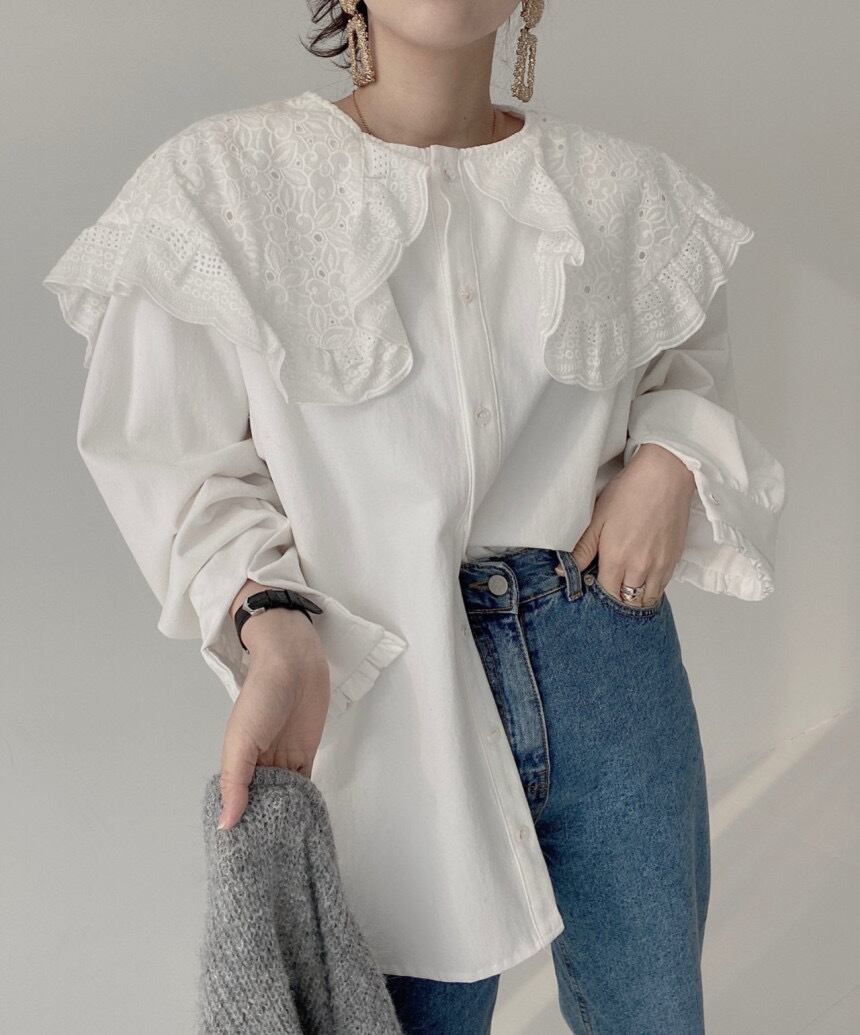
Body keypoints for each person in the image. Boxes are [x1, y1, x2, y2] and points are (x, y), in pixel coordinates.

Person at [42, 1, 787, 1032]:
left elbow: (686, 367)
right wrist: (271, 624)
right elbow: (167, 455)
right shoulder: (220, 185)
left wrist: (669, 458)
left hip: (607, 662)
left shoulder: (626, 193)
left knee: (655, 1017)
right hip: (378, 678)